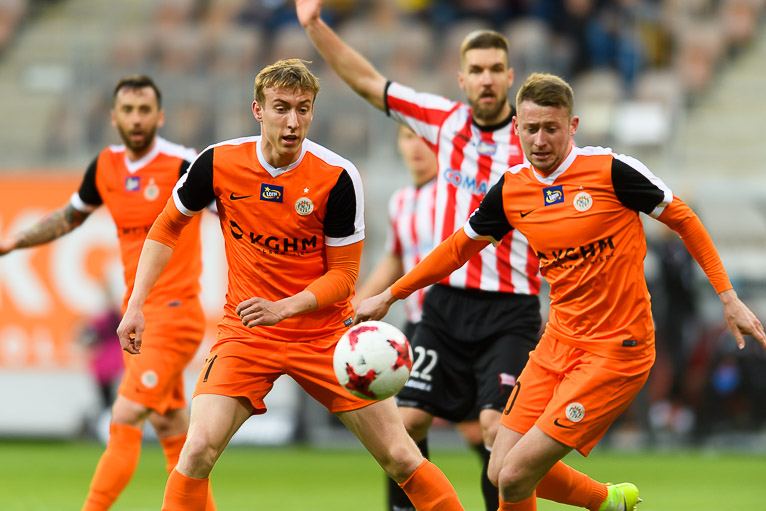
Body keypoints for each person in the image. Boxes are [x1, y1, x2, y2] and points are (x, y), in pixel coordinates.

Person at [355, 72, 766, 511]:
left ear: (572, 126)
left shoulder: (611, 171)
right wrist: (391, 295)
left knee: (514, 475)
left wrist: (727, 297)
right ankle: (607, 501)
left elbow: (683, 218)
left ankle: (600, 500)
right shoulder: (513, 189)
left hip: (617, 350)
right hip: (559, 343)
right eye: (531, 128)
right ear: (517, 128)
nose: (540, 140)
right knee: (499, 470)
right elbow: (457, 249)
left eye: (551, 128)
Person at [116, 58, 465, 511]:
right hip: (247, 333)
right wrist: (136, 304)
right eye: (281, 108)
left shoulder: (336, 176)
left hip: (325, 336)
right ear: (258, 110)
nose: (293, 121)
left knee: (401, 457)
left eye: (303, 109)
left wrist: (283, 307)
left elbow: (344, 277)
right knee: (196, 449)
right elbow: (166, 227)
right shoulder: (218, 162)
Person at [0, 75, 216, 511]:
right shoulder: (105, 167)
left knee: (126, 413)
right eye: (128, 110)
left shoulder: (183, 164)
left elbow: (233, 213)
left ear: (160, 116)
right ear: (114, 117)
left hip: (175, 314)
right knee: (172, 430)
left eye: (144, 110)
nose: (136, 119)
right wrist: (14, 241)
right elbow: (70, 216)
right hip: (138, 318)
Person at [353, 123, 498, 511]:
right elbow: (395, 258)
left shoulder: (460, 195)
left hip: (464, 325)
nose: (416, 147)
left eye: (423, 138)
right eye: (406, 137)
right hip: (421, 327)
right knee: (406, 424)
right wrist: (355, 305)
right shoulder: (401, 200)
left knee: (481, 432)